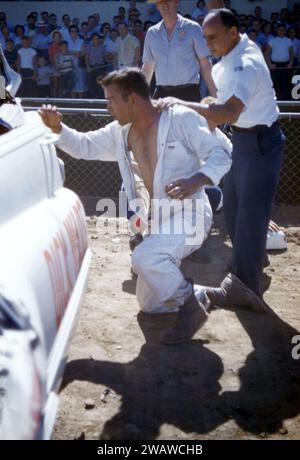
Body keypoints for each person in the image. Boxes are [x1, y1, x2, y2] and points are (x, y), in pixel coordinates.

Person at [38, 67, 234, 345]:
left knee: (145, 258)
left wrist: (196, 179)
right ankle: (212, 293)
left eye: (111, 100)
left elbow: (223, 151)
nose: (108, 107)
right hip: (155, 222)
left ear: (132, 99)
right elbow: (83, 146)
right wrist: (58, 128)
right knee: (149, 304)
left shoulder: (180, 119)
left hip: (188, 216)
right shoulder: (120, 132)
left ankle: (191, 309)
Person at [158, 9, 285, 305]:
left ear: (232, 33)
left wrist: (181, 102)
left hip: (260, 141)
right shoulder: (234, 48)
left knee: (250, 218)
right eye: (204, 38)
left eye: (212, 38)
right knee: (234, 212)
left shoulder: (246, 63)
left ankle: (247, 287)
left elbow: (228, 112)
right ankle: (249, 265)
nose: (208, 43)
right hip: (241, 140)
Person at [142, 0, 216, 101]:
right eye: (160, 2)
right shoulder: (152, 33)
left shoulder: (193, 28)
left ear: (177, 2)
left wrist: (216, 97)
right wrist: (140, 97)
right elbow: (147, 68)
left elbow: (205, 65)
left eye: (168, 1)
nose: (165, 5)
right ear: (157, 6)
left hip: (189, 94)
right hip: (162, 95)